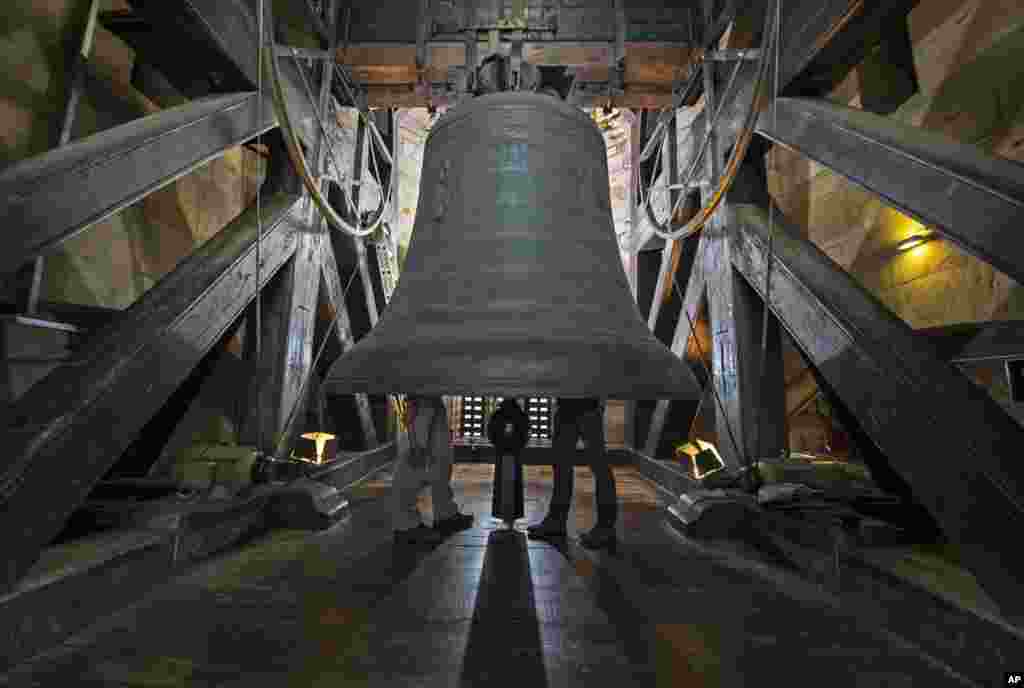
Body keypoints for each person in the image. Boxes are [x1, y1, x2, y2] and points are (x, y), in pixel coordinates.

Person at [527, 397, 617, 549]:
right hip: (566, 406)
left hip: (588, 406)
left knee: (599, 465)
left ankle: (605, 527)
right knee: (561, 465)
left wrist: (599, 404)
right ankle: (556, 521)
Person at [393, 395, 474, 544]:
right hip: (420, 398)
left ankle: (445, 515)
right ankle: (406, 525)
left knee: (440, 461)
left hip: (431, 396)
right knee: (414, 463)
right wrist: (414, 442)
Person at [487, 398, 529, 528]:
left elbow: (491, 435)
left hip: (501, 453)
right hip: (515, 453)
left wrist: (500, 444)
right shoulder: (521, 416)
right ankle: (514, 514)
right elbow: (524, 436)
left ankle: (501, 513)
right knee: (515, 482)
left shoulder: (497, 416)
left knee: (500, 482)